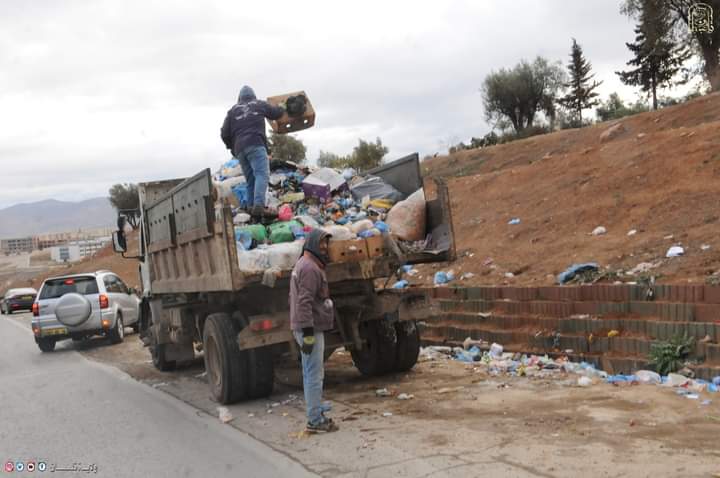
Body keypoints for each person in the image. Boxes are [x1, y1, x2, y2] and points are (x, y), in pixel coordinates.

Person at [289, 229, 338, 433]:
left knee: (311, 371)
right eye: (321, 244)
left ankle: (315, 406)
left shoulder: (305, 264)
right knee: (313, 374)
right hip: (309, 328)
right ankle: (315, 420)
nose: (325, 248)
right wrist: (308, 332)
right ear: (311, 244)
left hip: (307, 326)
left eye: (326, 244)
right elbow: (304, 302)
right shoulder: (309, 269)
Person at [220, 85, 285, 218]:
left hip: (240, 149)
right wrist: (283, 107)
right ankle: (259, 206)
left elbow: (224, 133)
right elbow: (276, 113)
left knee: (250, 179)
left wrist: (232, 147)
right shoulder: (259, 104)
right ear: (253, 96)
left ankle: (250, 208)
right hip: (255, 143)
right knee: (262, 174)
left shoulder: (232, 111)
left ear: (239, 98)